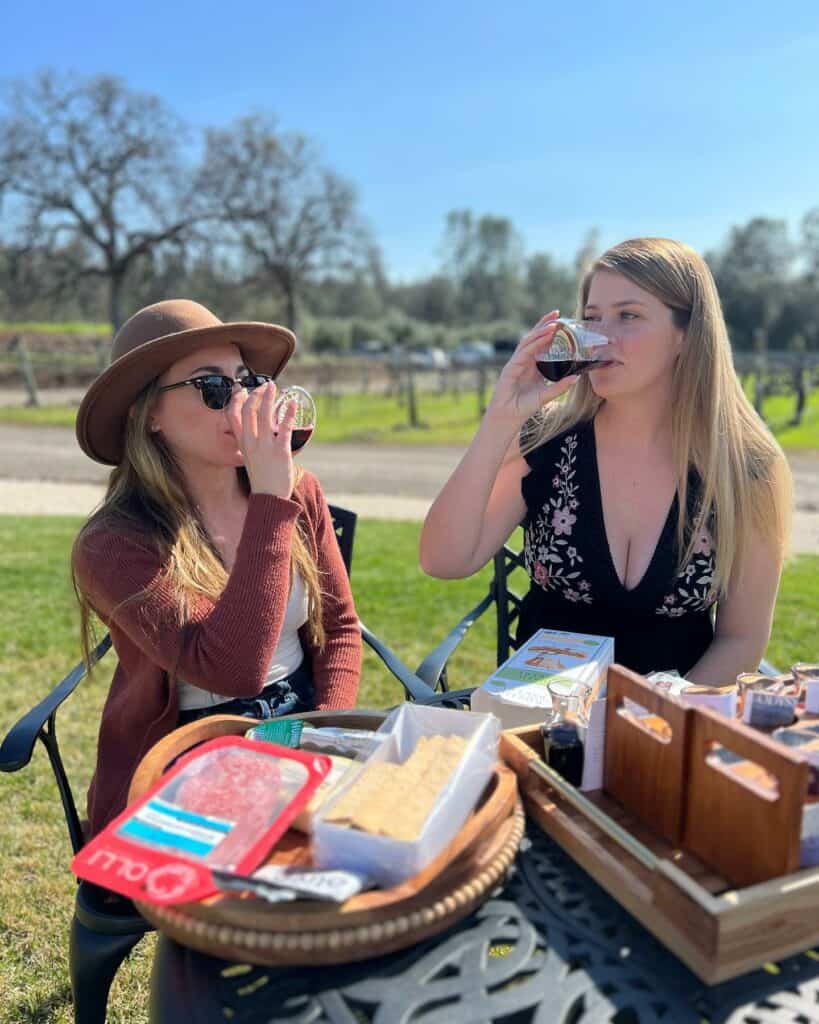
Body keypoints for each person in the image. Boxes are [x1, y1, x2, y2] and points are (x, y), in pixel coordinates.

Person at [420, 238, 792, 684]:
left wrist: (657, 719)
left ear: (686, 334)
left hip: (668, 733)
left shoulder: (747, 469)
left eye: (628, 316)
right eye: (592, 319)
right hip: (542, 726)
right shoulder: (545, 442)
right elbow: (443, 560)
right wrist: (502, 419)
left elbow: (742, 639)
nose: (598, 337)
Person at [72, 299, 361, 837]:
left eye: (246, 381)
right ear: (149, 415)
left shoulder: (299, 490)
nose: (244, 402)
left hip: (302, 720)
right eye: (213, 387)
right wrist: (273, 500)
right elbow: (233, 669)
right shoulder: (114, 542)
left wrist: (328, 734)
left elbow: (339, 629)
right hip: (183, 750)